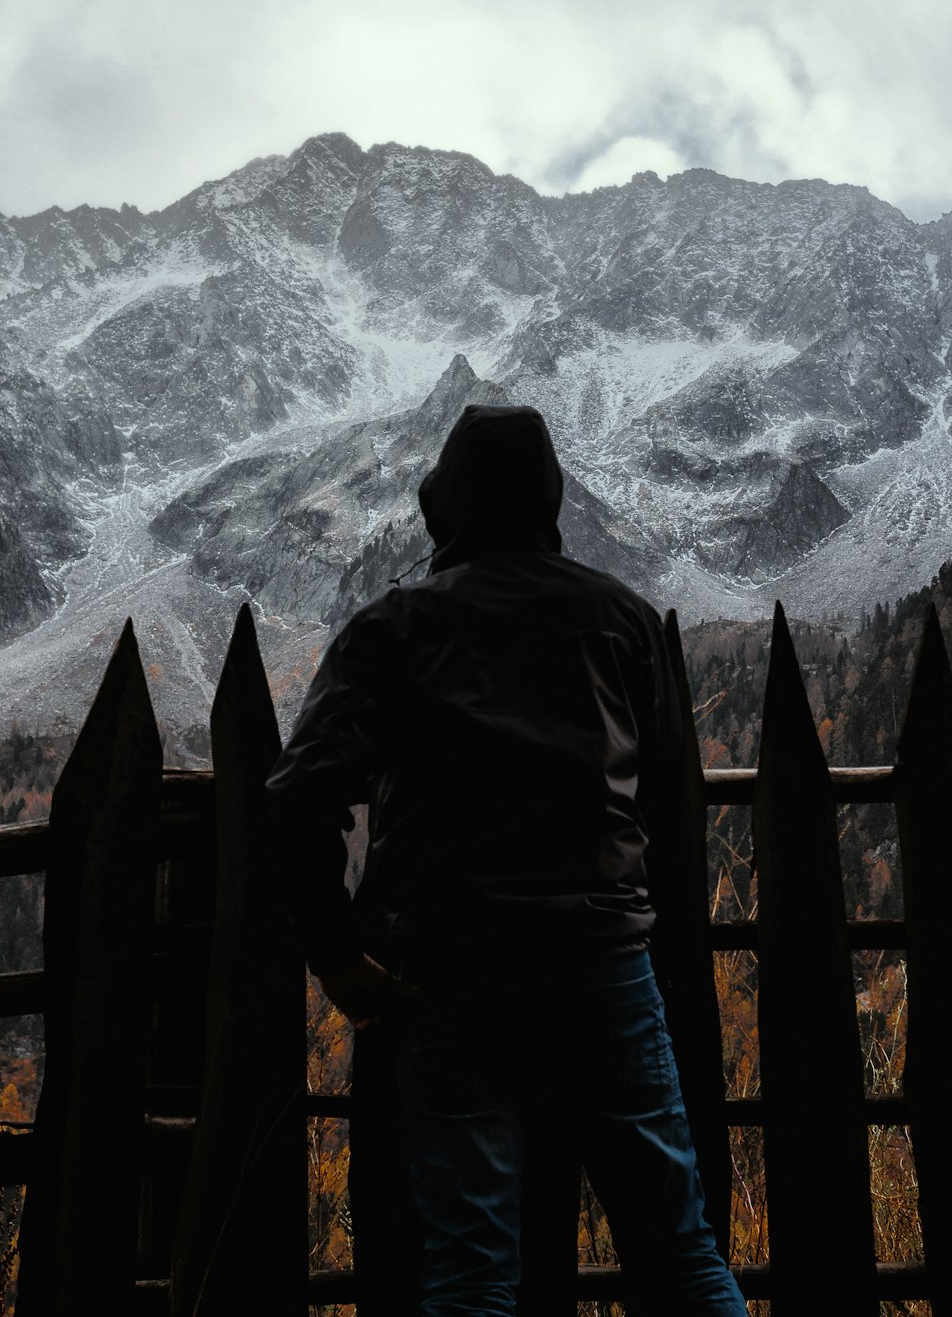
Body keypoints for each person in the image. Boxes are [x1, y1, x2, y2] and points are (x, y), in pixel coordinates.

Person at [265, 404, 747, 1317]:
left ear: (440, 509)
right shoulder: (625, 622)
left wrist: (334, 956)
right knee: (679, 1255)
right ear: (552, 503)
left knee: (472, 1273)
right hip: (605, 972)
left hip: (450, 978)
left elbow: (297, 797)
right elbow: (668, 819)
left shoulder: (393, 629)